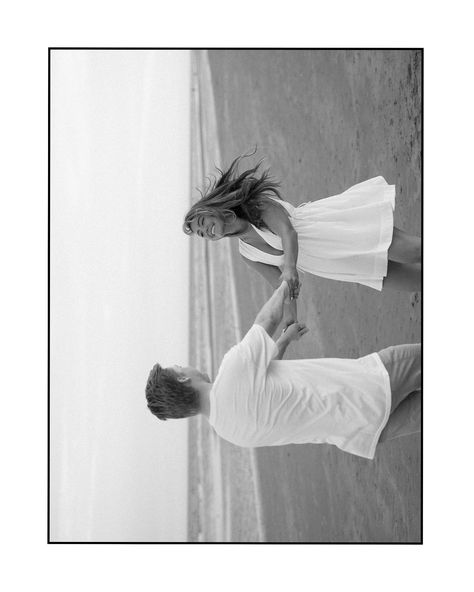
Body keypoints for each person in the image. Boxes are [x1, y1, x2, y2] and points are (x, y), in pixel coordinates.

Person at [145, 282, 421, 460]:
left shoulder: (230, 432)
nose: (186, 365)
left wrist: (285, 340)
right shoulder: (231, 372)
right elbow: (267, 318)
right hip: (367, 386)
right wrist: (286, 280)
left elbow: (267, 387)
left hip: (363, 432)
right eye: (179, 367)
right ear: (182, 378)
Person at [183, 152, 421, 329]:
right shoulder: (247, 253)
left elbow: (288, 232)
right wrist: (290, 318)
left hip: (330, 229)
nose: (205, 231)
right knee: (411, 281)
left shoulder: (253, 204)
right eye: (201, 234)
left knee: (412, 251)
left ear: (211, 209)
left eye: (202, 223)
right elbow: (281, 285)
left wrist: (289, 267)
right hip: (329, 263)